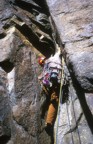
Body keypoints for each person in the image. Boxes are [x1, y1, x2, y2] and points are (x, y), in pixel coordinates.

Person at [38, 47, 62, 133]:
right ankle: (49, 122)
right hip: (56, 84)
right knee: (54, 101)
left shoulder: (46, 66)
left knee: (53, 101)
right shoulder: (52, 61)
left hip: (50, 85)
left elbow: (43, 78)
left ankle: (49, 122)